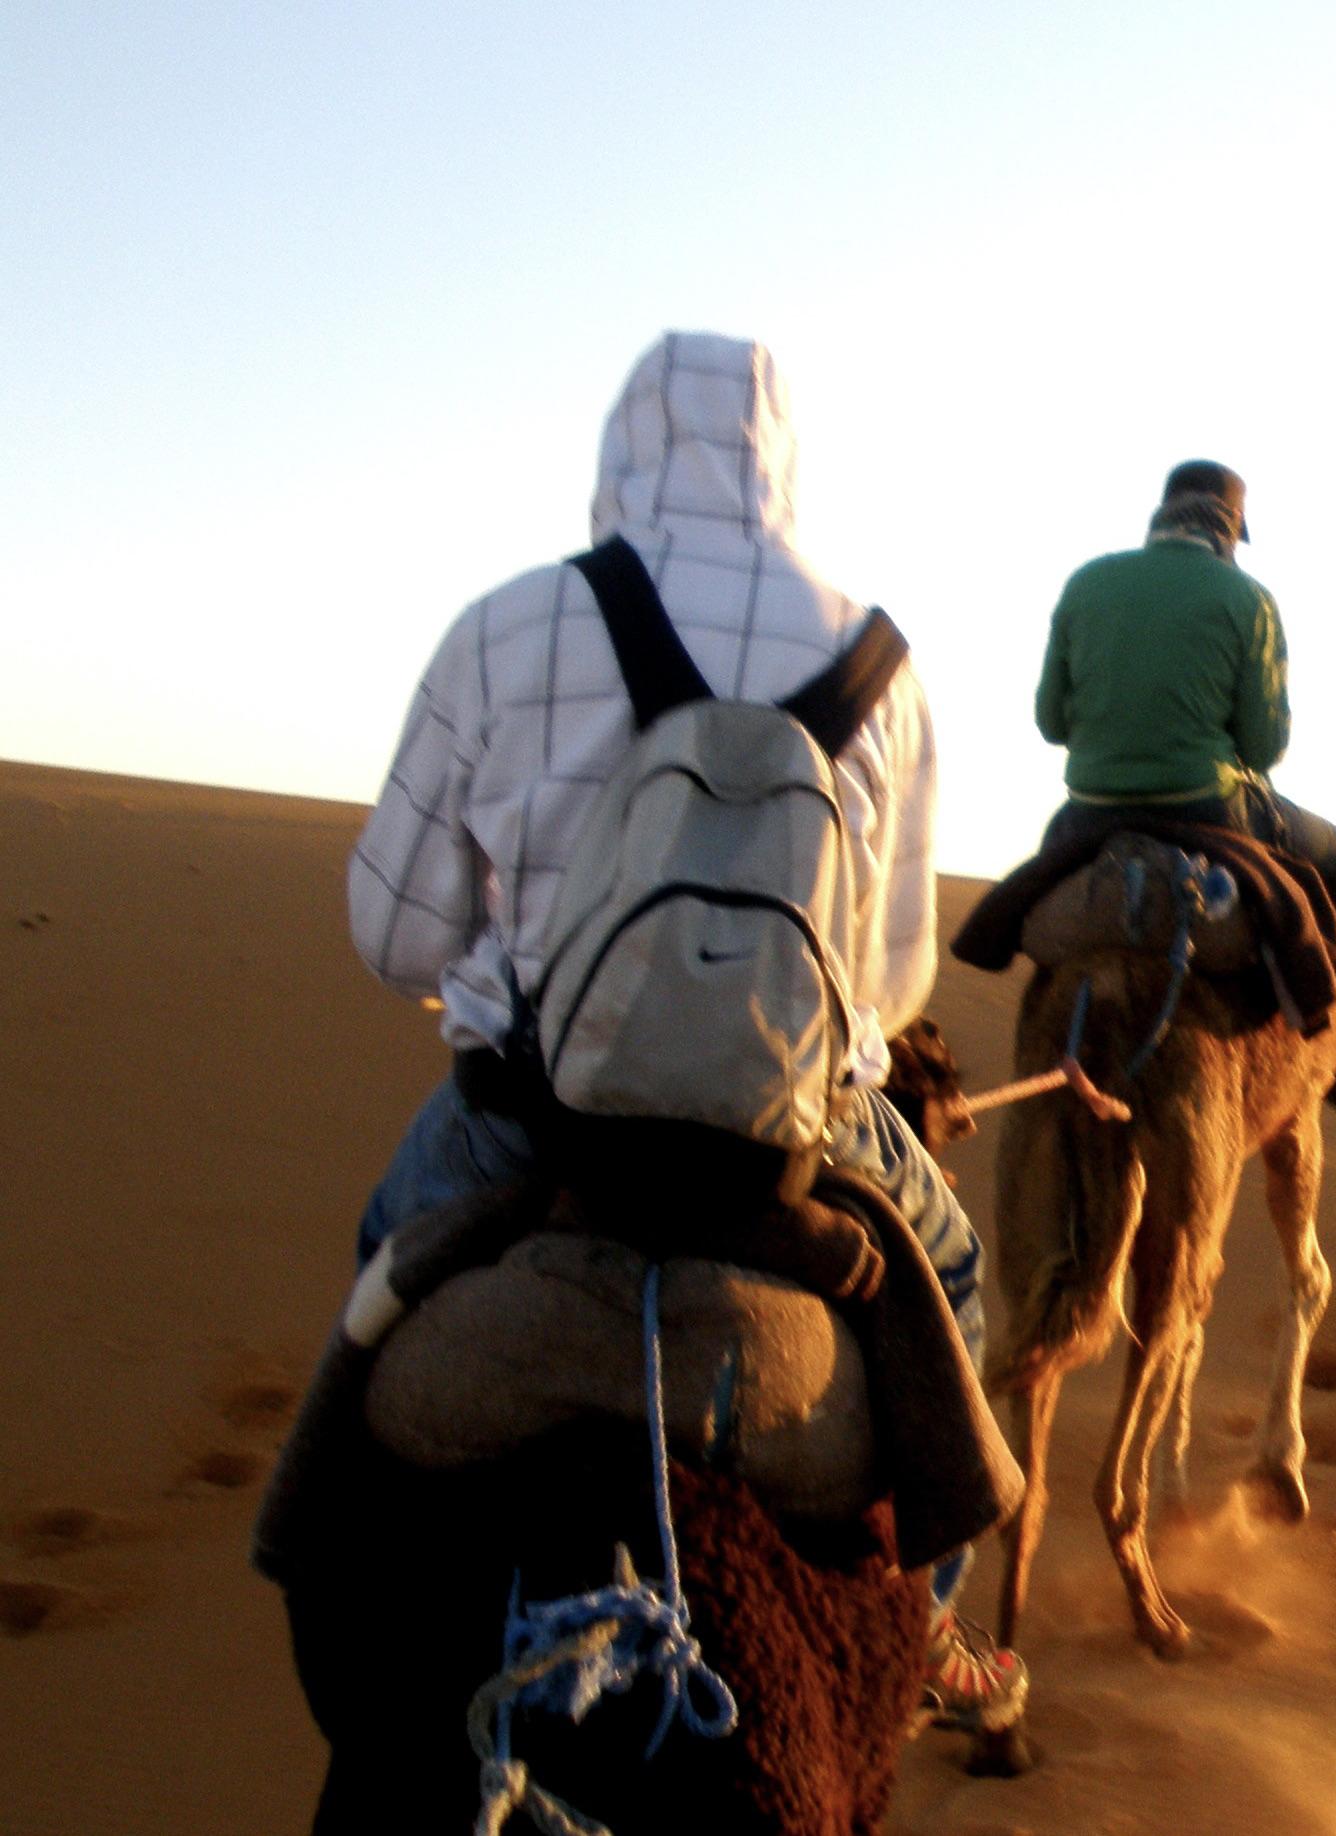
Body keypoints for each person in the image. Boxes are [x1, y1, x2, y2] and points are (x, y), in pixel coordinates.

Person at [342, 332, 1025, 1732]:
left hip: (524, 1116)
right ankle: (924, 1631)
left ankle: (317, 1543)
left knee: (382, 1277)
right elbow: (889, 986)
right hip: (792, 1142)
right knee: (947, 1274)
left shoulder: (508, 625)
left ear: (620, 450)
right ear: (781, 462)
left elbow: (394, 934)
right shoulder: (880, 660)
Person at [1032, 459, 1336, 1137]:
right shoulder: (1247, 599)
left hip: (1087, 811)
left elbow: (1050, 722)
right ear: (1229, 530)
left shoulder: (1087, 582)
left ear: (1162, 516)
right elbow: (1263, 745)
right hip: (1207, 807)